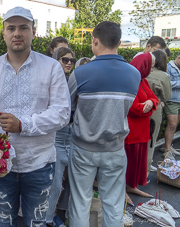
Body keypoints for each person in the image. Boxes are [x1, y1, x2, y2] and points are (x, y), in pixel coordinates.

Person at [0, 6, 71, 227]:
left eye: (23, 28)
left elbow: (62, 113)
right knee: (4, 219)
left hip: (39, 162)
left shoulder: (51, 68)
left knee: (36, 222)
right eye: (11, 28)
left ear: (34, 31)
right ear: (3, 33)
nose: (16, 33)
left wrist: (24, 125)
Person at [68, 21, 141, 227]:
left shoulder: (80, 73)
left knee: (80, 202)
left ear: (95, 41)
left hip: (83, 148)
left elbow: (67, 108)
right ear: (118, 42)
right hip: (115, 148)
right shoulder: (134, 74)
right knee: (114, 204)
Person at [45, 47, 75, 226]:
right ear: (56, 60)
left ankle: (54, 215)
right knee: (54, 183)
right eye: (65, 59)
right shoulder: (52, 80)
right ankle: (47, 218)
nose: (69, 63)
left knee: (63, 183)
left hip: (69, 136)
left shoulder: (68, 80)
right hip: (55, 137)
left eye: (72, 60)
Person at [124, 53, 159, 205]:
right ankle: (122, 190)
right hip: (131, 130)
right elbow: (134, 108)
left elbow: (154, 99)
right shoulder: (129, 80)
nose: (151, 70)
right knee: (128, 161)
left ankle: (132, 186)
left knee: (137, 161)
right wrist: (150, 106)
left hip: (141, 130)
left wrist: (150, 103)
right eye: (150, 67)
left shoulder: (142, 80)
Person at [146, 50, 172, 174]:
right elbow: (167, 96)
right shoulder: (163, 76)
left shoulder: (143, 72)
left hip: (138, 107)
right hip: (154, 109)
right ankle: (147, 166)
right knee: (151, 138)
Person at [162, 52, 180, 160]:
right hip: (172, 100)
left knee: (175, 125)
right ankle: (167, 150)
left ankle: (168, 145)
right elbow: (167, 83)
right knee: (172, 124)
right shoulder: (168, 67)